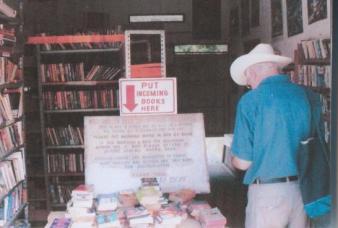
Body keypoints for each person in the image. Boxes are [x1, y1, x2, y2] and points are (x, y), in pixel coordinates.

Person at [229, 43, 311, 228]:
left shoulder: (251, 100)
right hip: (302, 190)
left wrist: (233, 158)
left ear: (252, 71)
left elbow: (243, 162)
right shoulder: (303, 95)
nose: (248, 83)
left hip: (267, 193)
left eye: (247, 77)